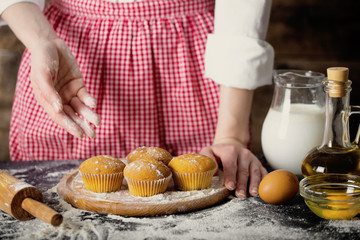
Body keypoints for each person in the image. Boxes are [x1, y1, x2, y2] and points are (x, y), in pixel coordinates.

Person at [0, 0, 274, 198]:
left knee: (200, 193)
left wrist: (231, 137)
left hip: (190, 62)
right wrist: (43, 41)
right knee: (56, 195)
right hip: (71, 58)